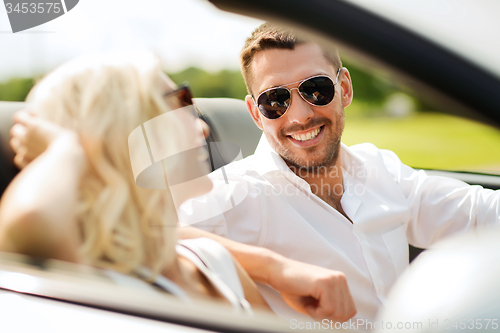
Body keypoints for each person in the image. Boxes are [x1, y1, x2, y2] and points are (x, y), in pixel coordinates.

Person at [178, 22, 500, 325]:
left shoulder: (379, 167)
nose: (301, 116)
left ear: (344, 88)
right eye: (275, 100)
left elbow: (480, 214)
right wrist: (278, 271)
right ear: (255, 114)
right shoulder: (238, 192)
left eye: (316, 89)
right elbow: (147, 234)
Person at [0, 52, 271, 314]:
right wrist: (66, 148)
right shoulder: (92, 286)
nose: (203, 127)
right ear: (120, 134)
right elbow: (32, 219)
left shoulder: (214, 259)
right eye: (180, 100)